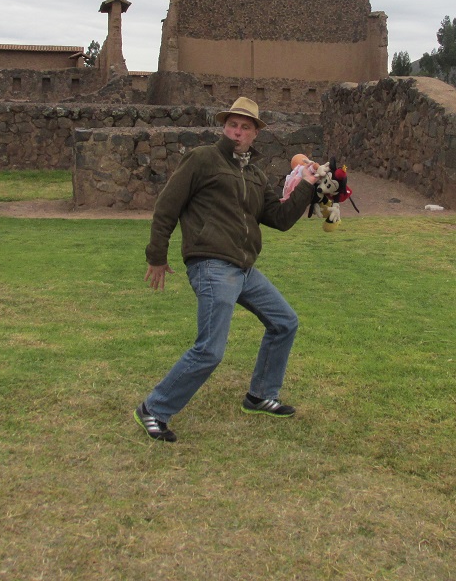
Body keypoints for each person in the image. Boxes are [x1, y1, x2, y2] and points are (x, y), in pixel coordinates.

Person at [134, 97, 319, 442]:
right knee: (210, 349)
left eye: (245, 127)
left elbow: (278, 219)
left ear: (255, 134)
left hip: (244, 268)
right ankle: (154, 409)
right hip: (211, 265)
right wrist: (156, 255)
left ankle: (260, 394)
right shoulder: (202, 159)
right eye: (233, 124)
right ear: (224, 127)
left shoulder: (255, 173)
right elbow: (166, 206)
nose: (237, 131)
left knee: (284, 322)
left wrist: (307, 184)